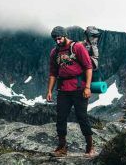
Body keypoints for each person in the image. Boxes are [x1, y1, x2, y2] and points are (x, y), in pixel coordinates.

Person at [46, 26, 96, 158]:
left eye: (59, 38)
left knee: (82, 117)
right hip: (63, 89)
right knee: (60, 117)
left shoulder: (77, 47)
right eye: (55, 39)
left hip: (79, 88)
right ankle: (62, 147)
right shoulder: (54, 52)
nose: (57, 41)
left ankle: (90, 147)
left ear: (65, 35)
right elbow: (52, 73)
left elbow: (88, 67)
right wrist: (49, 91)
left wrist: (87, 87)